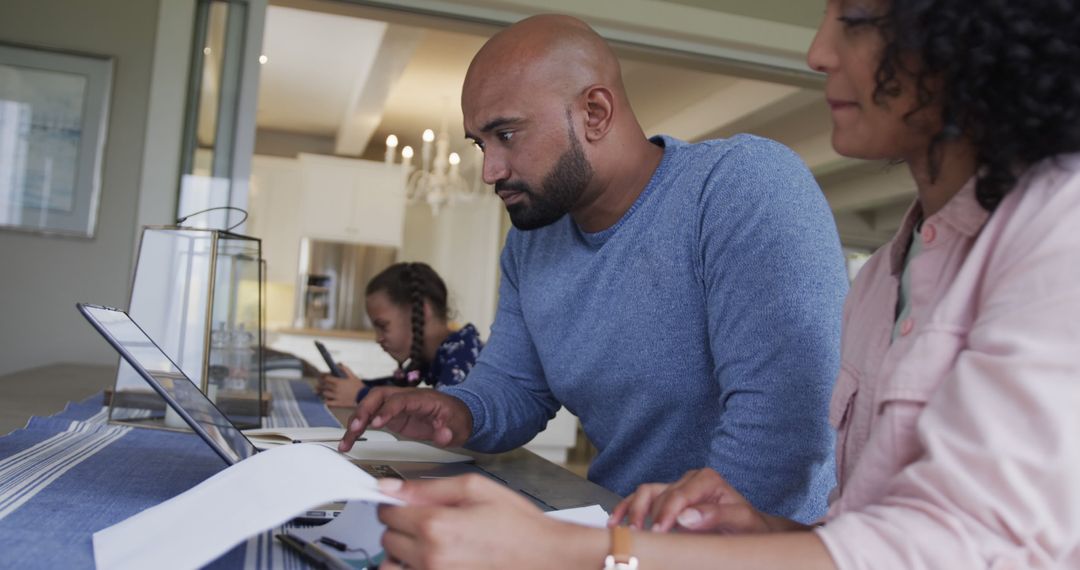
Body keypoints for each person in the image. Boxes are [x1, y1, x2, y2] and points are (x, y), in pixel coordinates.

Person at [369, 0, 1080, 568]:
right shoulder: (895, 270)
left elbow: (939, 535)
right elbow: (864, 523)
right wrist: (454, 412)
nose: (816, 51)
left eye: (856, 20)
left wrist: (592, 555)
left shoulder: (1054, 233)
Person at [339, 14, 848, 520]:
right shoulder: (529, 245)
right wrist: (459, 410)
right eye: (480, 143)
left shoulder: (740, 188)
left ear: (595, 113)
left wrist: (632, 547)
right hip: (619, 528)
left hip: (746, 546)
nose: (490, 170)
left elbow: (782, 430)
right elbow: (515, 386)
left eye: (507, 134)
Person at [317, 262, 483, 407]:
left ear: (423, 312)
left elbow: (442, 411)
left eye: (383, 326)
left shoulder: (462, 356)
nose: (377, 338)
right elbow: (397, 388)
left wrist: (360, 395)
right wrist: (345, 386)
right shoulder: (437, 354)